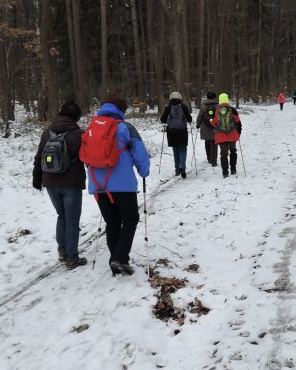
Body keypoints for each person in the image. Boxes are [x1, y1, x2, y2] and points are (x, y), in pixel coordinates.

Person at [86, 91, 151, 276]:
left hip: (98, 184)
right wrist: (144, 171)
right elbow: (140, 153)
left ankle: (115, 262)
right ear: (122, 109)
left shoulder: (91, 127)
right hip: (122, 184)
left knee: (112, 222)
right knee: (130, 219)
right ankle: (120, 258)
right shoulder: (125, 128)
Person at [32, 100, 87, 269]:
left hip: (50, 182)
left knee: (61, 216)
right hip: (71, 183)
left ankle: (63, 250)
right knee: (72, 220)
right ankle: (72, 257)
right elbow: (87, 158)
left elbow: (39, 157)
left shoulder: (46, 133)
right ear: (76, 117)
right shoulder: (79, 134)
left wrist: (37, 179)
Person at [159, 91, 193, 178]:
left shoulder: (168, 107)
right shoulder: (183, 106)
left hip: (171, 132)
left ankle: (177, 170)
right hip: (182, 132)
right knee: (182, 150)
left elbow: (163, 119)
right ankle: (182, 166)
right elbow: (189, 119)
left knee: (175, 150)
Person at [209, 93, 242, 178]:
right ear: (227, 100)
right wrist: (239, 133)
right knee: (233, 151)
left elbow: (213, 123)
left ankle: (225, 172)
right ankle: (233, 169)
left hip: (220, 135)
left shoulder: (216, 111)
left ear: (219, 101)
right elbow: (238, 122)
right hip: (232, 135)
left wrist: (212, 120)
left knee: (223, 154)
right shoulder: (233, 110)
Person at [196, 91, 218, 167]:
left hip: (205, 127)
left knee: (207, 142)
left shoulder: (203, 106)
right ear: (215, 97)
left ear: (207, 97)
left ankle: (209, 158)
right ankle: (214, 161)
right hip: (215, 127)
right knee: (214, 143)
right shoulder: (217, 106)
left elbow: (200, 116)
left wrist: (198, 124)